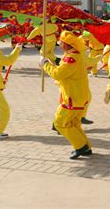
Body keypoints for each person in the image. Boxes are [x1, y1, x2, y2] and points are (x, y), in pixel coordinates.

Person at [40, 31, 93, 159]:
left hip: (72, 98)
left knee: (60, 123)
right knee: (73, 124)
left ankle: (81, 147)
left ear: (66, 44)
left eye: (61, 42)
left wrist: (45, 65)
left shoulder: (72, 57)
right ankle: (85, 147)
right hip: (78, 96)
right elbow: (62, 68)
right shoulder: (73, 55)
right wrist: (49, 61)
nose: (60, 44)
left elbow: (59, 74)